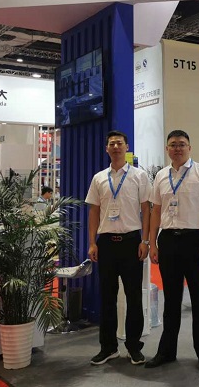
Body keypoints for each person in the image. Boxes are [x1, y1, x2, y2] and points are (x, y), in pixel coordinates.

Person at [145, 130, 199, 374]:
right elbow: (156, 211)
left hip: (195, 240)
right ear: (167, 149)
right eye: (173, 145)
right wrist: (153, 243)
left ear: (189, 147)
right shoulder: (161, 176)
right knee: (171, 300)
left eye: (182, 144)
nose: (177, 148)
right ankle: (167, 351)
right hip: (168, 240)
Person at [86, 130, 151, 366]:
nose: (115, 147)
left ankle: (134, 346)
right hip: (106, 243)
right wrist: (92, 242)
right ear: (107, 148)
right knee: (107, 297)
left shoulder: (139, 176)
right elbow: (94, 211)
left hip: (132, 243)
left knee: (134, 297)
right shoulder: (99, 178)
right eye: (112, 143)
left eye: (119, 143)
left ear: (126, 147)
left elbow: (147, 209)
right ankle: (108, 347)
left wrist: (145, 241)